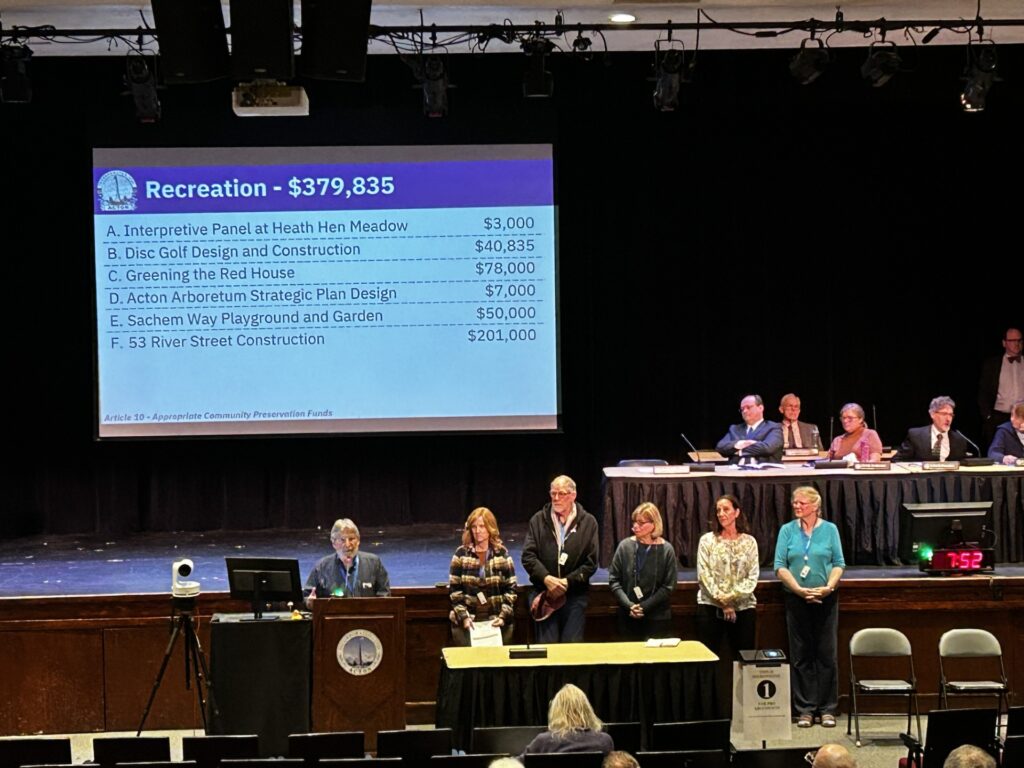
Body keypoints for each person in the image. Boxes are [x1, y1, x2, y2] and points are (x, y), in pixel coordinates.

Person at [774, 486, 845, 729]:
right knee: (801, 655)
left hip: (825, 599)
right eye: (795, 502)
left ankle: (827, 708)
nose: (796, 506)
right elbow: (780, 565)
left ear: (815, 506)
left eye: (802, 503)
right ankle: (804, 709)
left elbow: (838, 563)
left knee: (826, 654)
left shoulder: (830, 530)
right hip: (796, 599)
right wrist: (798, 590)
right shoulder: (787, 531)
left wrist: (828, 587)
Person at [521, 475, 599, 643]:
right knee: (548, 650)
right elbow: (528, 556)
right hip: (544, 593)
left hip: (574, 595)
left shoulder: (589, 522)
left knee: (571, 651)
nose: (556, 498)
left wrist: (567, 583)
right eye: (553, 493)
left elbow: (591, 563)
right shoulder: (538, 520)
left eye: (561, 494)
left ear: (573, 495)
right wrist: (547, 579)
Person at [695, 494, 759, 658]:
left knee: (745, 660)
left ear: (737, 512)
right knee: (707, 660)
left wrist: (731, 598)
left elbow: (752, 577)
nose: (721, 514)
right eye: (718, 510)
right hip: (710, 606)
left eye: (726, 509)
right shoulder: (707, 540)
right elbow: (704, 574)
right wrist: (722, 601)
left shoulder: (749, 542)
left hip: (743, 608)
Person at [448, 507, 517, 646]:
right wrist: (463, 617)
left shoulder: (502, 554)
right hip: (468, 623)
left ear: (490, 528)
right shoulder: (461, 554)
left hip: (496, 623)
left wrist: (503, 617)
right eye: (474, 527)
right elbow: (455, 591)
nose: (477, 531)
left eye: (482, 526)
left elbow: (511, 589)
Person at [608, 502, 678, 640]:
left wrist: (644, 607)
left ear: (654, 524)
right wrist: (629, 606)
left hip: (657, 617)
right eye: (634, 522)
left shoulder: (666, 550)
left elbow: (668, 586)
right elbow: (614, 580)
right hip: (628, 615)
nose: (635, 526)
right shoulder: (625, 546)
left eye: (641, 523)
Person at [305, 518, 390, 605]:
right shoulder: (321, 567)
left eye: (351, 539)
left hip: (366, 617)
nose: (347, 544)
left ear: (358, 541)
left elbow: (384, 595)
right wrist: (309, 602)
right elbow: (306, 596)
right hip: (334, 617)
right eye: (342, 540)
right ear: (333, 543)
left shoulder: (374, 563)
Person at [521, 683, 614, 756]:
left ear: (556, 711)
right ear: (587, 710)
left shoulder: (544, 741)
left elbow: (515, 764)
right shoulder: (604, 741)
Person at [978, 327, 1024, 449]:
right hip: (999, 417)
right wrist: (988, 416)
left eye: (1019, 340)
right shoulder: (992, 365)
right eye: (1013, 340)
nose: (1017, 344)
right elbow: (983, 393)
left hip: (1022, 416)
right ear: (1004, 343)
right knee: (997, 452)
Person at [892, 396, 970, 462]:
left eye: (950, 415)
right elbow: (897, 460)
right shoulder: (916, 436)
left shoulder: (959, 440)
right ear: (932, 414)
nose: (948, 419)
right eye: (944, 414)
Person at [716, 394, 784, 464]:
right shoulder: (735, 429)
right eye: (742, 409)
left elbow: (767, 448)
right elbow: (720, 447)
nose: (744, 411)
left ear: (760, 408)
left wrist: (738, 450)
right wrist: (739, 444)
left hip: (764, 472)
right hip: (736, 472)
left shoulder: (774, 427)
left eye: (748, 407)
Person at [987, 400, 1024, 465]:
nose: (1012, 419)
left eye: (1017, 416)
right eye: (1011, 415)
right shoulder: (1004, 431)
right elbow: (992, 453)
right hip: (1013, 472)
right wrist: (1003, 458)